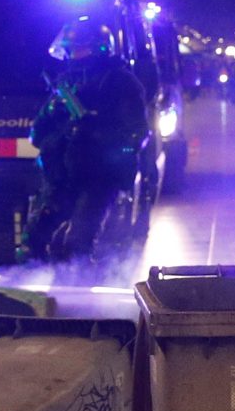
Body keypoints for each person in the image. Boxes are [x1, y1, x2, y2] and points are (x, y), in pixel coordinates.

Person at [31, 16, 149, 261]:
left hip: (98, 177)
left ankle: (82, 282)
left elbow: (136, 132)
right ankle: (38, 281)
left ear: (99, 49)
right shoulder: (66, 83)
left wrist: (98, 133)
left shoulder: (119, 82)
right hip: (62, 176)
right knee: (34, 238)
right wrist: (52, 112)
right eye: (69, 50)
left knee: (78, 243)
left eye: (79, 49)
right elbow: (37, 135)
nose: (72, 56)